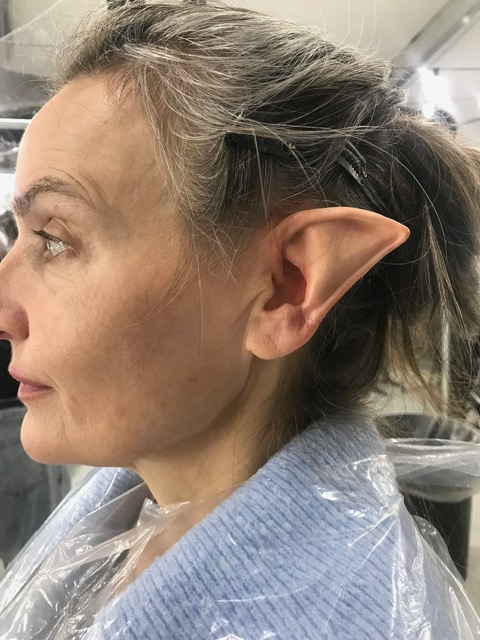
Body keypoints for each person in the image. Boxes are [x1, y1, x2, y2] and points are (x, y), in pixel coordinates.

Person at [0, 2, 479, 638]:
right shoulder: (135, 503)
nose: (4, 310)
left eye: (56, 239)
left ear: (285, 288)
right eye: (17, 234)